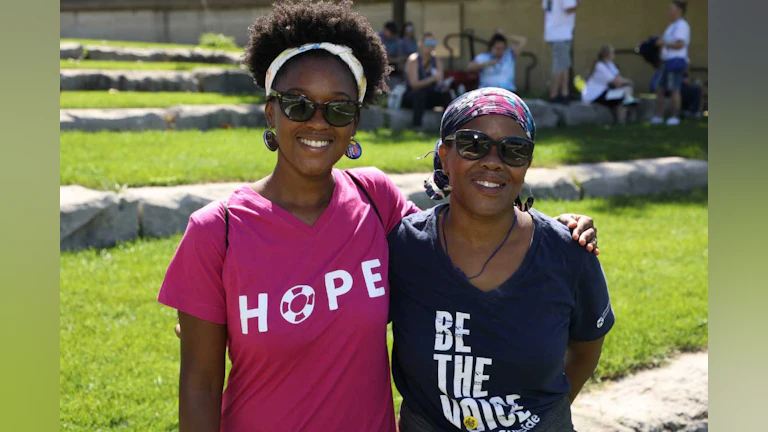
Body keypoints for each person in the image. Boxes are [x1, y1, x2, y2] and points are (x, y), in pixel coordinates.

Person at [161, 2, 601, 430]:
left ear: (354, 123)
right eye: (298, 104)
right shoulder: (216, 231)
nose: (318, 122)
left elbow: (457, 239)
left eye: (338, 108)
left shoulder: (375, 199)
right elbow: (199, 387)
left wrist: (549, 231)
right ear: (271, 112)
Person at [389, 88, 614, 432]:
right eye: (473, 144)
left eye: (514, 150)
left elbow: (585, 352)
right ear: (444, 156)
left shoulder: (567, 252)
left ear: (527, 164)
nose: (493, 161)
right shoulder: (405, 247)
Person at [650, 1, 691, 126]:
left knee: (674, 89)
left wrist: (664, 43)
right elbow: (664, 41)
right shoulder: (671, 26)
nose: (669, 11)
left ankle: (674, 117)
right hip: (666, 61)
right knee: (659, 88)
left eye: (671, 9)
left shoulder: (682, 25)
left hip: (676, 61)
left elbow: (680, 44)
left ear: (678, 10)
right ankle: (658, 116)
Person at [402, 32, 454, 131]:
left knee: (446, 94)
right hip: (412, 97)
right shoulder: (414, 59)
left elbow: (439, 82)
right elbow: (414, 84)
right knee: (420, 93)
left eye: (433, 43)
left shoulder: (437, 61)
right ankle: (417, 126)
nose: (430, 46)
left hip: (429, 96)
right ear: (421, 44)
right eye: (427, 43)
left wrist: (443, 85)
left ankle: (448, 128)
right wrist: (432, 79)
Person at [582, 44, 639, 125]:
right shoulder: (600, 66)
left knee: (625, 92)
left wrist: (626, 82)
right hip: (595, 95)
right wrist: (628, 81)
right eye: (612, 53)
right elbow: (615, 81)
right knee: (624, 95)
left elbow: (618, 77)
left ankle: (623, 119)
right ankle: (622, 120)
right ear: (607, 54)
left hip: (604, 92)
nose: (614, 55)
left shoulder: (610, 64)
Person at [542, 0, 580, 104]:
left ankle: (564, 93)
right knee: (559, 65)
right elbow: (569, 8)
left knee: (565, 64)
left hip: (554, 31)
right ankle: (554, 94)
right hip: (561, 32)